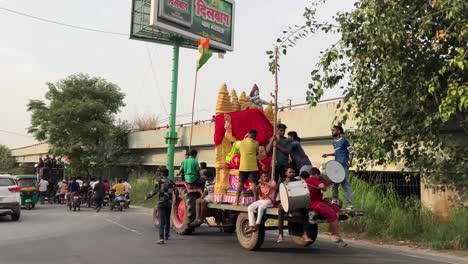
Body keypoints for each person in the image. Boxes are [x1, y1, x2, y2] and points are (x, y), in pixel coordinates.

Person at [306, 167, 347, 246]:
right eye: (319, 176)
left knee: (336, 209)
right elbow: (322, 187)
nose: (319, 178)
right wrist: (324, 187)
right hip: (314, 203)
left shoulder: (309, 180)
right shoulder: (312, 179)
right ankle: (335, 235)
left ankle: (332, 232)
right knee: (332, 214)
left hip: (318, 201)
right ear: (316, 174)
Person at [322, 125, 354, 210]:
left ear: (339, 131)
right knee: (334, 185)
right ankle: (335, 204)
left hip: (343, 166)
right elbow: (337, 153)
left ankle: (350, 205)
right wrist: (328, 155)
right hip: (336, 167)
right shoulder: (333, 142)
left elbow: (351, 151)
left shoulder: (344, 141)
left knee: (345, 185)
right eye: (332, 130)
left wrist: (350, 162)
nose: (332, 132)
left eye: (334, 130)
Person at [277, 167, 312, 243]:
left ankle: (305, 234)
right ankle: (280, 234)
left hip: (295, 202)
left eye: (293, 172)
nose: (292, 173)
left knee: (305, 211)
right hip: (285, 203)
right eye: (290, 172)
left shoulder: (298, 182)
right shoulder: (282, 181)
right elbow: (277, 191)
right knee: (280, 212)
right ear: (286, 173)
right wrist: (275, 201)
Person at [145, 169, 178, 245]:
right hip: (169, 203)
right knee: (167, 219)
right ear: (168, 174)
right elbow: (176, 192)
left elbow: (154, 191)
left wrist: (147, 197)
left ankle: (161, 238)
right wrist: (175, 201)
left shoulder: (159, 182)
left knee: (161, 221)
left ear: (162, 174)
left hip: (161, 203)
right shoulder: (172, 182)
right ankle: (166, 235)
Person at [235, 129, 260, 205]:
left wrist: (244, 138)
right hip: (253, 166)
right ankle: (256, 201)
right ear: (254, 135)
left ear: (248, 134)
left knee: (240, 183)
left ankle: (236, 201)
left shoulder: (239, 143)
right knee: (254, 184)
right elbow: (257, 153)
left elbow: (238, 148)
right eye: (256, 136)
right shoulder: (256, 143)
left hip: (243, 167)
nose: (256, 137)